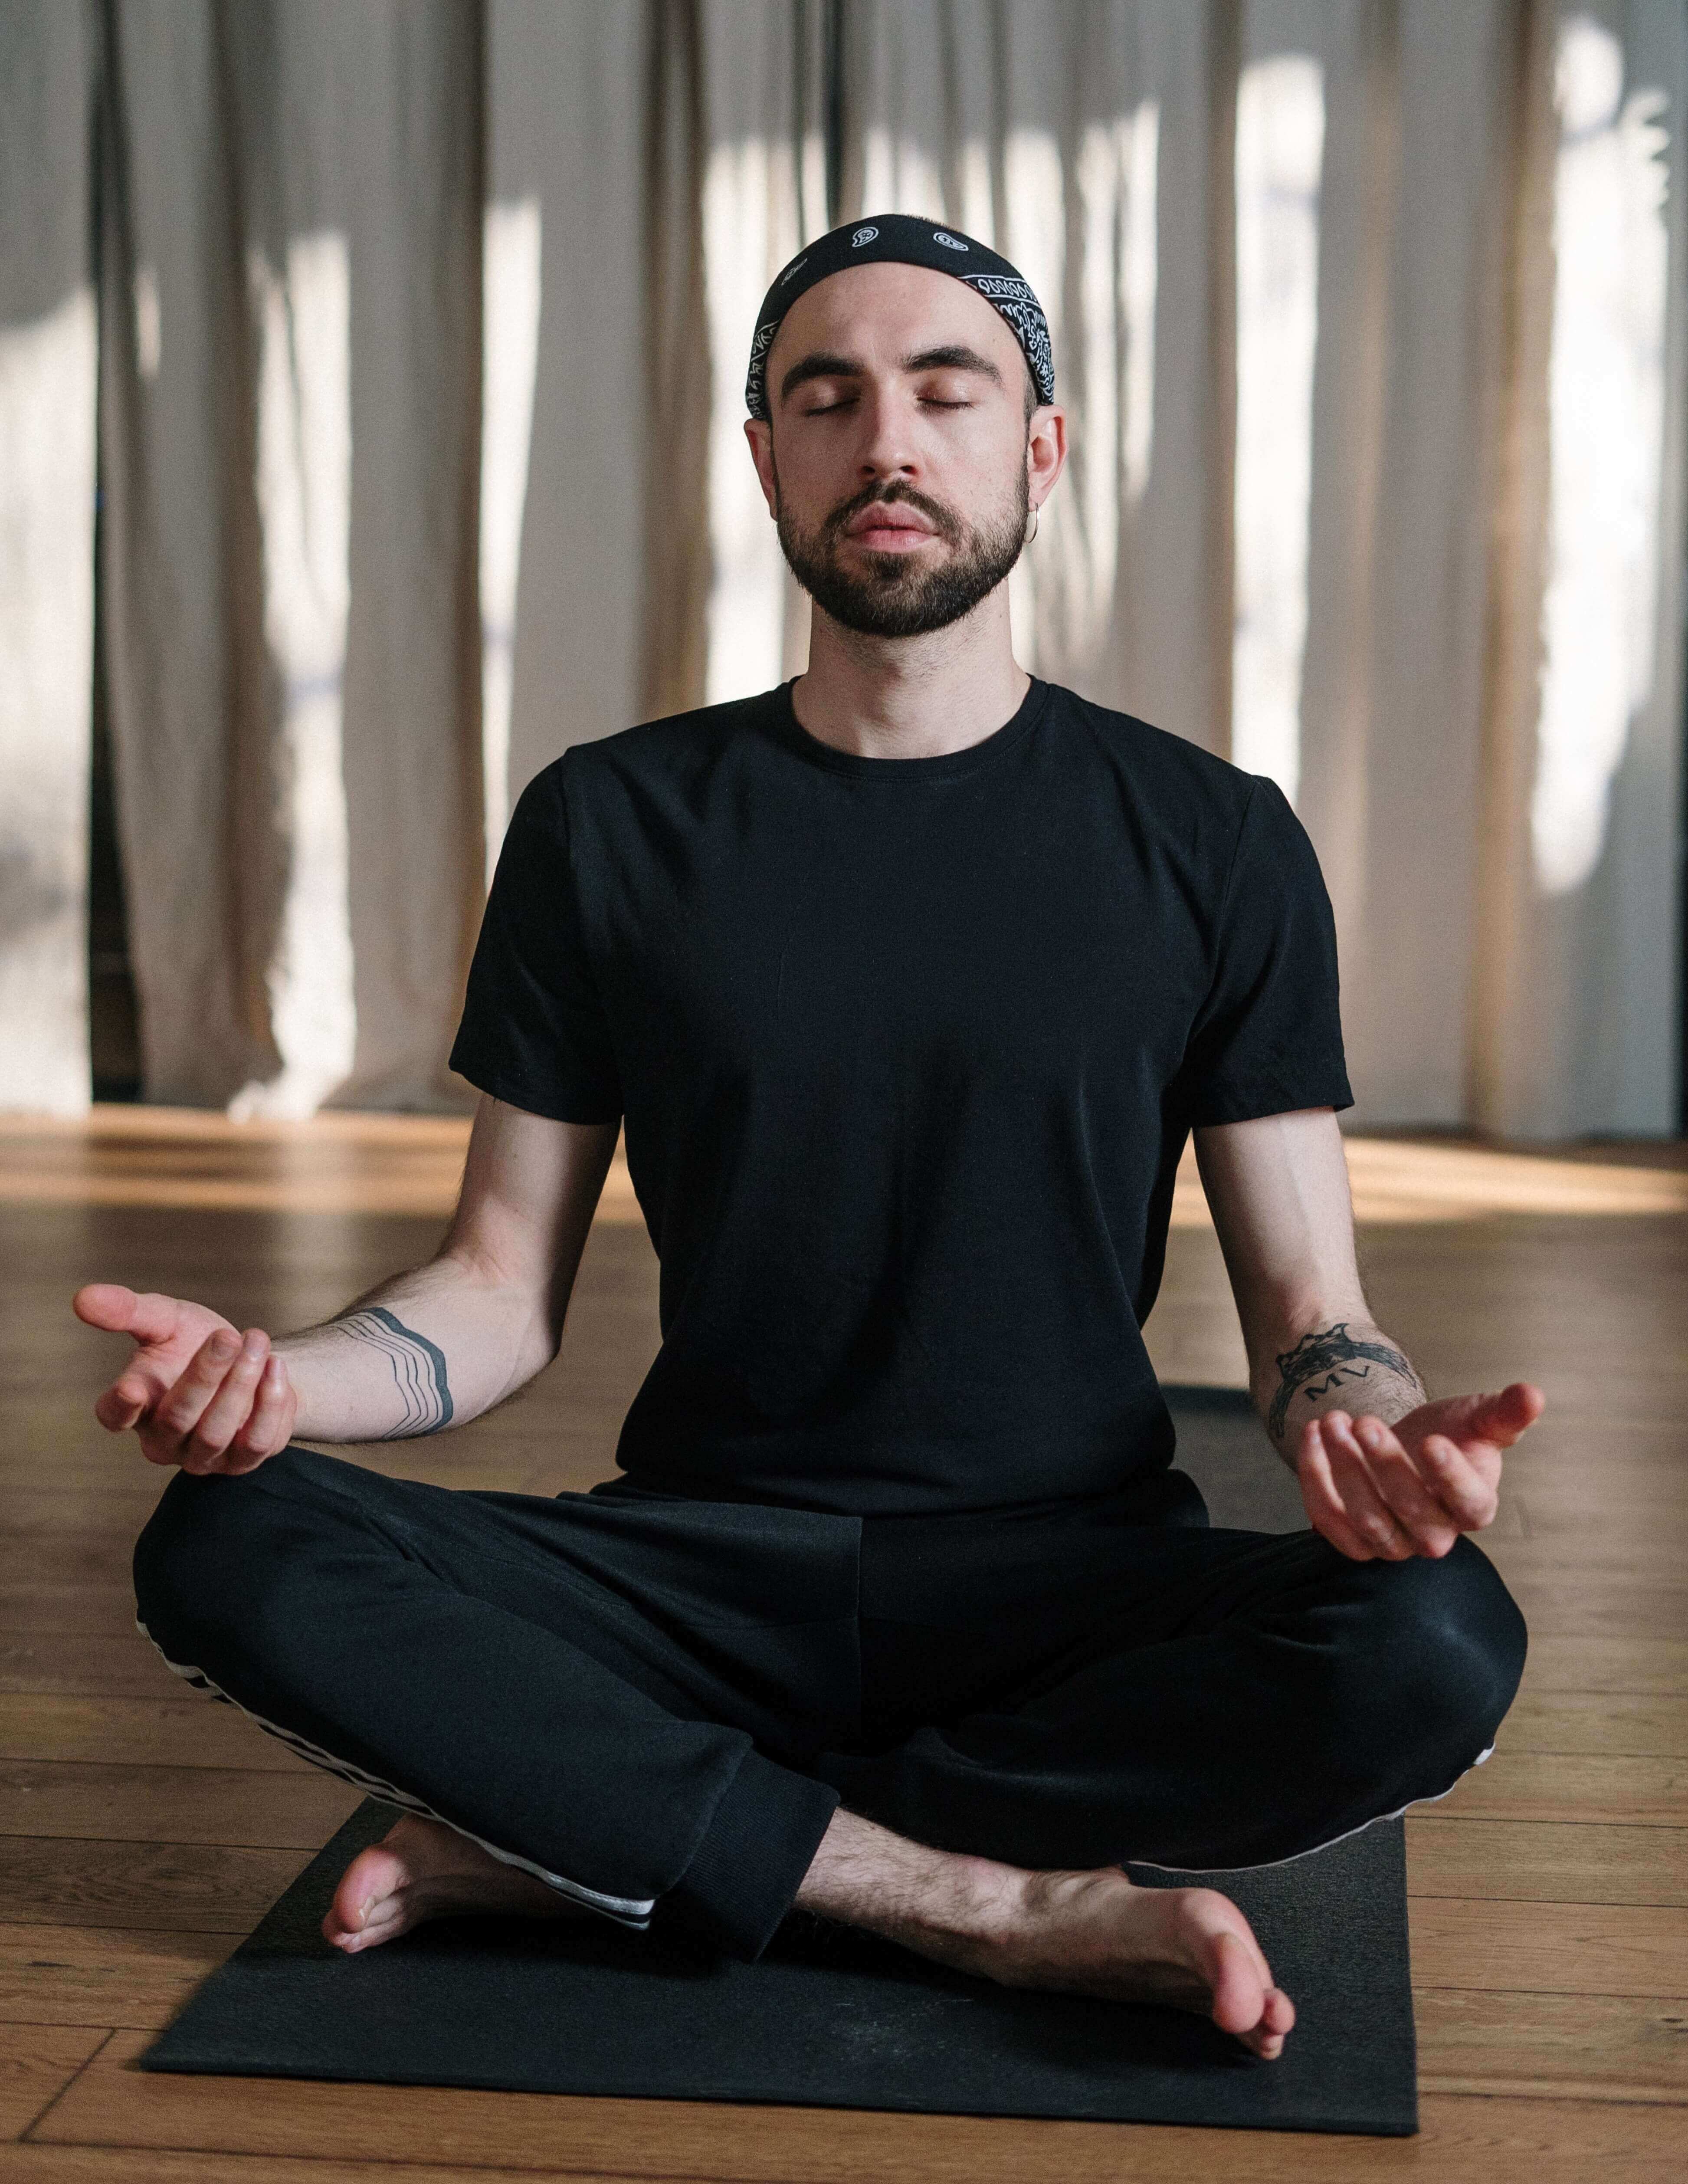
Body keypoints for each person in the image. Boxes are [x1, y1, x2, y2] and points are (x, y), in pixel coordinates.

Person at [78, 215, 1537, 2064]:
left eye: (950, 390)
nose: (891, 443)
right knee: (228, 1548)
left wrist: (1367, 1428)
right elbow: (496, 1293)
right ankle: (975, 1892)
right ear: (765, 459)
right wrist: (268, 1379)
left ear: (1042, 446)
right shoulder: (608, 823)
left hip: (1061, 1584)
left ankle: (616, 1833)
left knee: (1437, 1642)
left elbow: (1309, 1310)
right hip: (698, 1570)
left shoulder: (1214, 840)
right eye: (826, 398)